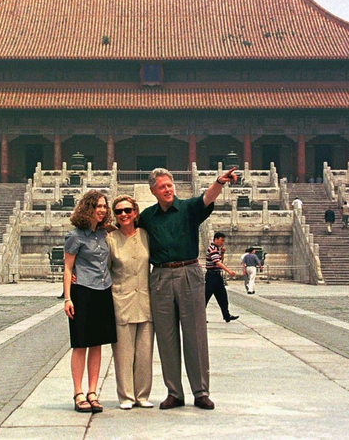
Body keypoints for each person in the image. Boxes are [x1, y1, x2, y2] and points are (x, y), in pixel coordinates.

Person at [138, 165, 237, 411]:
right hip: (160, 275)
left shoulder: (188, 209)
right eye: (162, 187)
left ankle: (201, 391)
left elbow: (207, 198)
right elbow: (127, 229)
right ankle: (174, 392)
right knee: (166, 337)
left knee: (195, 334)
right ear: (153, 191)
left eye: (169, 185)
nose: (167, 189)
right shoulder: (148, 217)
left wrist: (220, 182)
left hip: (189, 272)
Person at [63, 190, 117, 414]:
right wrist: (67, 298)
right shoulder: (75, 236)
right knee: (80, 343)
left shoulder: (105, 233)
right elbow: (67, 268)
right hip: (82, 291)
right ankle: (78, 392)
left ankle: (93, 392)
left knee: (97, 343)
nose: (102, 210)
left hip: (103, 290)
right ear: (88, 208)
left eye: (104, 206)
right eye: (98, 206)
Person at [106, 195, 154, 410]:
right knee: (123, 354)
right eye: (118, 211)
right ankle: (126, 396)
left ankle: (142, 395)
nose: (123, 214)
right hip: (121, 300)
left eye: (127, 210)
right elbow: (103, 271)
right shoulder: (110, 239)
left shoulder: (146, 236)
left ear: (135, 212)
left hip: (145, 299)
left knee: (144, 352)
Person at [205, 232, 239, 322]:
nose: (222, 242)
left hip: (217, 276)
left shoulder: (217, 249)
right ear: (215, 239)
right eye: (221, 240)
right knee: (206, 297)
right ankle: (200, 316)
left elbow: (220, 260)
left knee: (222, 296)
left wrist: (222, 253)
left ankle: (226, 315)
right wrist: (229, 271)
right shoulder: (212, 249)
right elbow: (217, 262)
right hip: (211, 276)